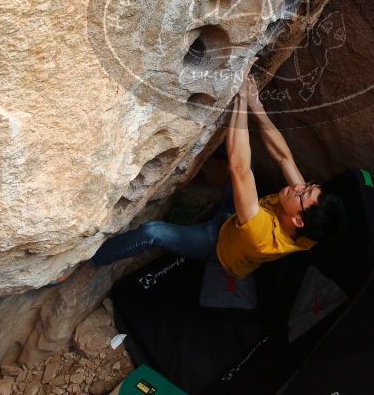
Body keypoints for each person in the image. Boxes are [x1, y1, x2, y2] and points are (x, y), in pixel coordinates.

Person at [91, 75, 347, 278]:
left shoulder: (263, 239)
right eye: (308, 185)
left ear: (298, 221)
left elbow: (239, 169)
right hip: (237, 216)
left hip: (217, 244)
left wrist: (241, 101)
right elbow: (283, 158)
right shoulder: (308, 222)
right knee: (238, 151)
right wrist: (256, 106)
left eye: (303, 193)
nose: (299, 187)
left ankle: (92, 259)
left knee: (152, 232)